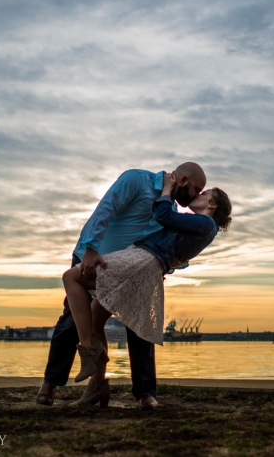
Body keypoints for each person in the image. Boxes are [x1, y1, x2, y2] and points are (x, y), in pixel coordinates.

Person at [37, 162, 207, 409]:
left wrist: (162, 269)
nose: (197, 195)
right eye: (196, 189)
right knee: (71, 322)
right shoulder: (137, 180)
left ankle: (145, 394)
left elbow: (162, 247)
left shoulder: (166, 208)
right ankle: (50, 384)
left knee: (140, 325)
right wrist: (91, 248)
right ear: (182, 180)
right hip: (93, 257)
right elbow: (106, 209)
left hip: (128, 271)